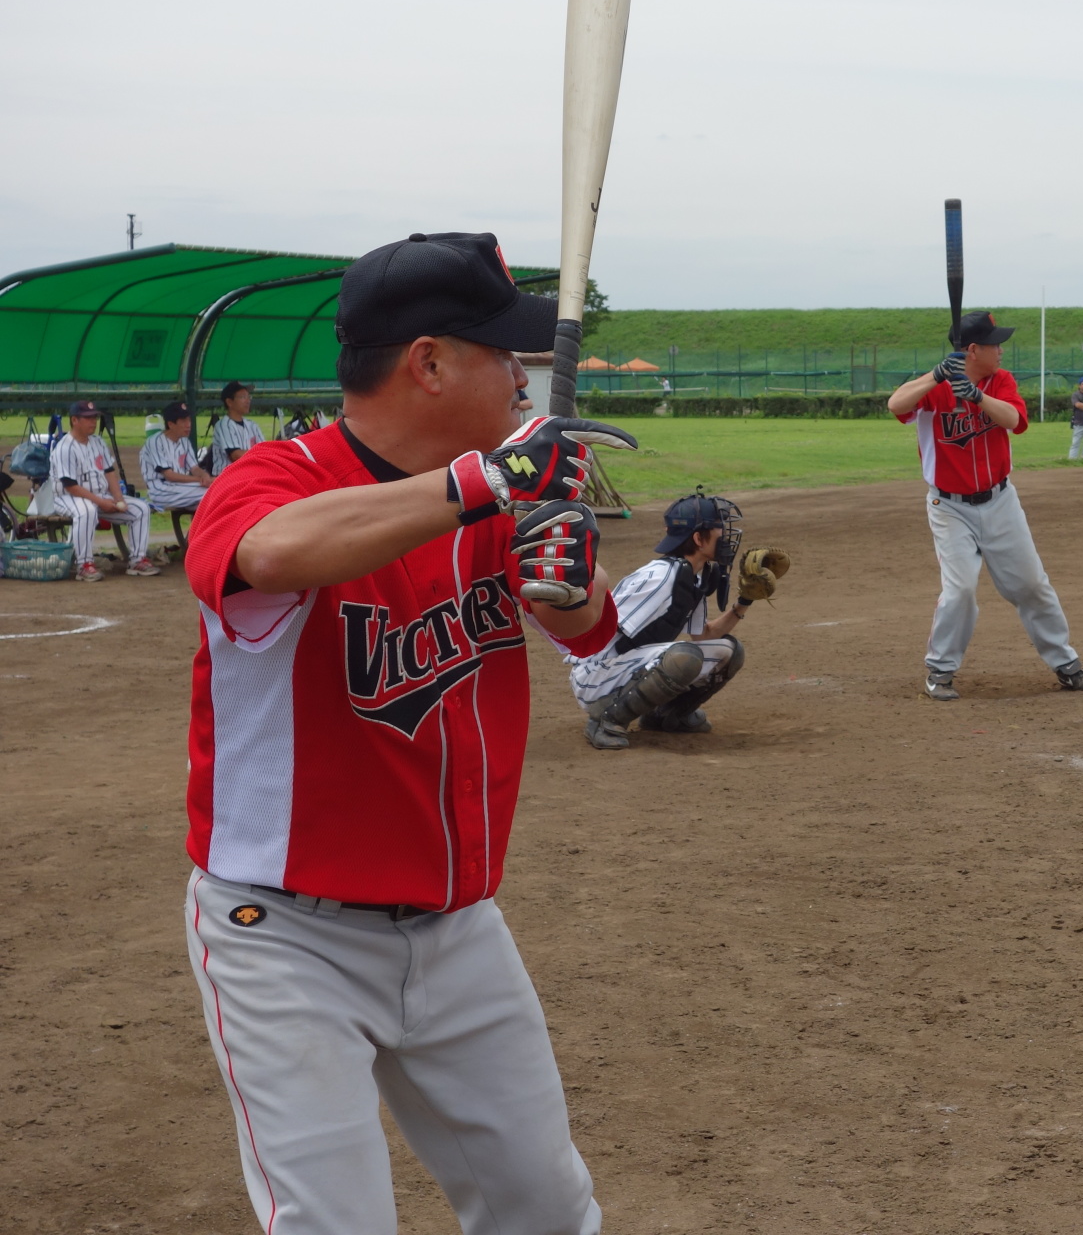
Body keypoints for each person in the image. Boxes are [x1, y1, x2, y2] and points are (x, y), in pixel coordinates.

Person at [179, 230, 639, 1235]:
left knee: (546, 1211)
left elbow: (589, 629)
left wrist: (564, 569)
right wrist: (485, 485)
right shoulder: (277, 478)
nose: (522, 378)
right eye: (501, 354)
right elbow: (268, 553)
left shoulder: (490, 494)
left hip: (458, 928)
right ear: (427, 363)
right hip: (286, 936)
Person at [887, 310, 1083, 700]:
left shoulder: (1000, 381)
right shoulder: (934, 385)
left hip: (1000, 501)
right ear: (972, 349)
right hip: (949, 507)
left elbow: (1014, 420)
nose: (1001, 350)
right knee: (960, 590)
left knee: (1031, 584)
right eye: (994, 344)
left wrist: (977, 396)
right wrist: (937, 376)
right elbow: (895, 404)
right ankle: (940, 670)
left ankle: (1065, 663)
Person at [569, 491, 754, 747]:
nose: (725, 535)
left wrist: (744, 602)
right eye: (719, 528)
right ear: (698, 538)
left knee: (729, 652)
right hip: (595, 674)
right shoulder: (659, 577)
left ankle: (668, 715)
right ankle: (604, 720)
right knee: (683, 656)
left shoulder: (695, 577)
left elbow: (705, 635)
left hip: (625, 666)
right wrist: (592, 671)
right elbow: (603, 626)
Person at [49, 399, 159, 579]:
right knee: (87, 511)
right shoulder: (65, 447)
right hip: (68, 497)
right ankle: (84, 565)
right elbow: (70, 486)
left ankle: (137, 560)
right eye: (88, 418)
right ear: (74, 420)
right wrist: (101, 502)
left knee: (141, 508)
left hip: (100, 496)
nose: (93, 421)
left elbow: (109, 472)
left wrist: (119, 499)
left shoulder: (98, 442)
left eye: (94, 417)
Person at [141, 400, 213, 513]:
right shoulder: (155, 442)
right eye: (183, 421)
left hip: (180, 488)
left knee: (211, 497)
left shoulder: (184, 441)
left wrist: (204, 475)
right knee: (213, 492)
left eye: (189, 420)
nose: (188, 425)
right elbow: (169, 475)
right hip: (160, 490)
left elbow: (194, 468)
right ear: (170, 424)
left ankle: (201, 526)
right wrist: (201, 480)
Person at [207, 380, 265, 476]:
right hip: (227, 477)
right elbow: (236, 455)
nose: (248, 401)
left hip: (248, 475)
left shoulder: (252, 425)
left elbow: (265, 449)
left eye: (248, 397)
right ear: (229, 402)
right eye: (243, 397)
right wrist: (260, 454)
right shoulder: (224, 425)